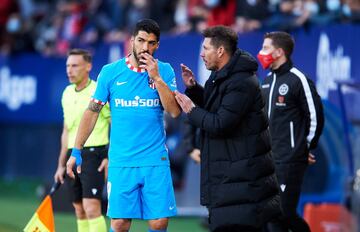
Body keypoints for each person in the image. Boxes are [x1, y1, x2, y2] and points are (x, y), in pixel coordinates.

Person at [66, 19, 181, 232]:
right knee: (119, 224)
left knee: (159, 222)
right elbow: (92, 112)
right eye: (141, 40)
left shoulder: (164, 71)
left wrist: (155, 77)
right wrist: (76, 150)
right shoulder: (110, 72)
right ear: (131, 41)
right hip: (121, 161)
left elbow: (174, 111)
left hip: (154, 159)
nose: (145, 47)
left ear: (157, 46)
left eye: (151, 43)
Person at [174, 25, 281, 232]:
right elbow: (218, 108)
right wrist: (195, 89)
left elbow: (220, 123)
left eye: (206, 48)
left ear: (221, 51)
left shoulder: (241, 82)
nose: (202, 54)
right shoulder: (222, 76)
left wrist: (191, 110)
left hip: (242, 185)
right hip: (231, 183)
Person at [257, 31, 324, 232]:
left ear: (279, 52)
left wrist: (306, 147)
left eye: (266, 48)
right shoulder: (267, 80)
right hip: (268, 160)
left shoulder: (298, 79)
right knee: (271, 216)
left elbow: (315, 116)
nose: (261, 52)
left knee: (283, 212)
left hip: (289, 159)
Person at [54, 48, 110, 232]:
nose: (70, 70)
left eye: (75, 65)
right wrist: (61, 164)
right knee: (79, 210)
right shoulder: (66, 93)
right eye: (68, 66)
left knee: (92, 208)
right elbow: (66, 130)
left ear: (88, 66)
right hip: (73, 155)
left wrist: (109, 155)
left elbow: (116, 124)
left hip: (95, 153)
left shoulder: (99, 90)